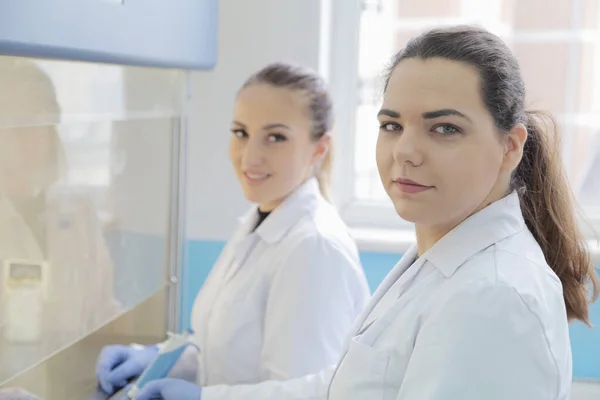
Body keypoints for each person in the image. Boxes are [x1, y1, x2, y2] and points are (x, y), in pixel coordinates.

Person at [127, 25, 600, 400]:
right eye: (392, 124)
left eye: (445, 128)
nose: (406, 152)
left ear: (510, 146)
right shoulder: (439, 259)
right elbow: (337, 388)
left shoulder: (494, 296)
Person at [95, 62, 370, 395]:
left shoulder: (314, 248)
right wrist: (157, 359)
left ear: (319, 148)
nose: (250, 157)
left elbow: (302, 393)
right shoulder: (260, 220)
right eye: (241, 133)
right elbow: (225, 352)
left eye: (275, 137)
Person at [0, 58, 120, 391]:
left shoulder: (78, 213)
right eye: (10, 122)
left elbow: (104, 314)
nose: (22, 140)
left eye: (35, 122)